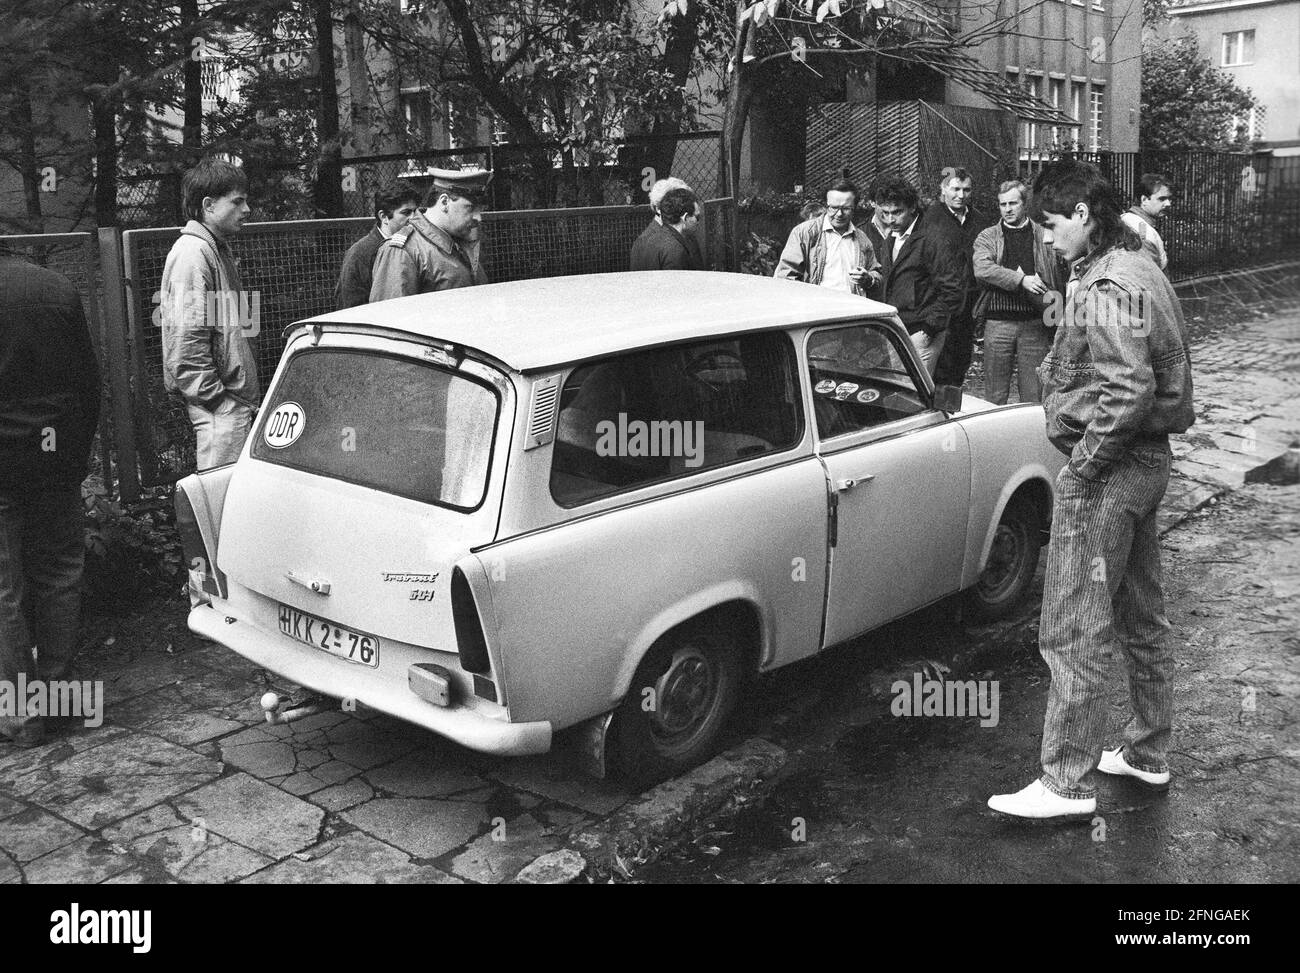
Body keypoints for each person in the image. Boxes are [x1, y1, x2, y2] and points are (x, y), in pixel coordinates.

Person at [988, 159, 1195, 820]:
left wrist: (1082, 467)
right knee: (1141, 612)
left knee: (1074, 624)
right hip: (1147, 463)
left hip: (1110, 468)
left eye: (1051, 224)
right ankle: (1146, 752)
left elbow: (1127, 389)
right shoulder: (1138, 264)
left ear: (1082, 215)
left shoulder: (1105, 283)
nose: (1046, 238)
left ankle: (1063, 783)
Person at [0, 253, 101, 747]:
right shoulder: (56, 288)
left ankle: (20, 718)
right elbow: (88, 382)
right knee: (60, 574)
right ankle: (60, 700)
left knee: (4, 589)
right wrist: (74, 453)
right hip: (54, 456)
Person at [160, 157, 260, 470]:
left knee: (231, 502)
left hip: (234, 404)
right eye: (238, 201)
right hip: (221, 410)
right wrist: (218, 401)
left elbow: (226, 328)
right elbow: (187, 343)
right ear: (208, 205)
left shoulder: (216, 248)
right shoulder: (193, 253)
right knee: (218, 505)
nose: (247, 210)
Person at [972, 179, 1064, 404]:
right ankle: (995, 438)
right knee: (994, 395)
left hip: (1035, 322)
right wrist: (1020, 279)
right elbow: (982, 269)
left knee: (1034, 395)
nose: (1008, 209)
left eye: (1013, 203)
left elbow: (1062, 269)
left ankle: (1031, 438)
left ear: (1025, 204)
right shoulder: (988, 236)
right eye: (1003, 204)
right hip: (998, 323)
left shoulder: (1045, 235)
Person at [870, 174, 965, 376]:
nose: (890, 219)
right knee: (898, 391)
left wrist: (928, 330)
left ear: (913, 207)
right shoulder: (891, 237)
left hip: (921, 332)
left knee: (914, 396)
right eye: (884, 213)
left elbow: (953, 290)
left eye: (897, 212)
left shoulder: (933, 237)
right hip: (897, 329)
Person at [369, 168, 492, 300]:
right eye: (471, 208)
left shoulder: (462, 241)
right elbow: (389, 315)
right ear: (444, 202)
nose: (478, 217)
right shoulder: (403, 251)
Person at [928, 166, 989, 388]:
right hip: (940, 303)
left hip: (970, 304)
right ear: (943, 189)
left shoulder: (980, 220)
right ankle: (937, 412)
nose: (961, 196)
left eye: (966, 190)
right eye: (955, 189)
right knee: (939, 364)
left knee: (960, 362)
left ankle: (951, 411)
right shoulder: (930, 219)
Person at [774, 178, 881, 298]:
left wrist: (868, 279)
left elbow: (876, 273)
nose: (839, 214)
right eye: (834, 208)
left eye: (846, 208)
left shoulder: (862, 238)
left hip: (852, 310)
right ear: (826, 205)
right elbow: (786, 277)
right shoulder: (805, 233)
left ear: (854, 208)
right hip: (819, 310)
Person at [335, 185, 420, 309]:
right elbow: (348, 305)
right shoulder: (360, 254)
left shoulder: (415, 245)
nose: (413, 218)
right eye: (406, 212)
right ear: (383, 216)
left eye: (416, 211)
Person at [630, 187, 703, 270]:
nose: (698, 222)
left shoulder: (642, 241)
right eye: (697, 217)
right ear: (685, 217)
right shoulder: (676, 250)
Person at [1121, 173, 1171, 271]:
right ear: (1144, 200)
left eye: (1169, 199)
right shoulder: (1141, 231)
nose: (1168, 203)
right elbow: (1150, 277)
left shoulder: (1127, 220)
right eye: (1162, 199)